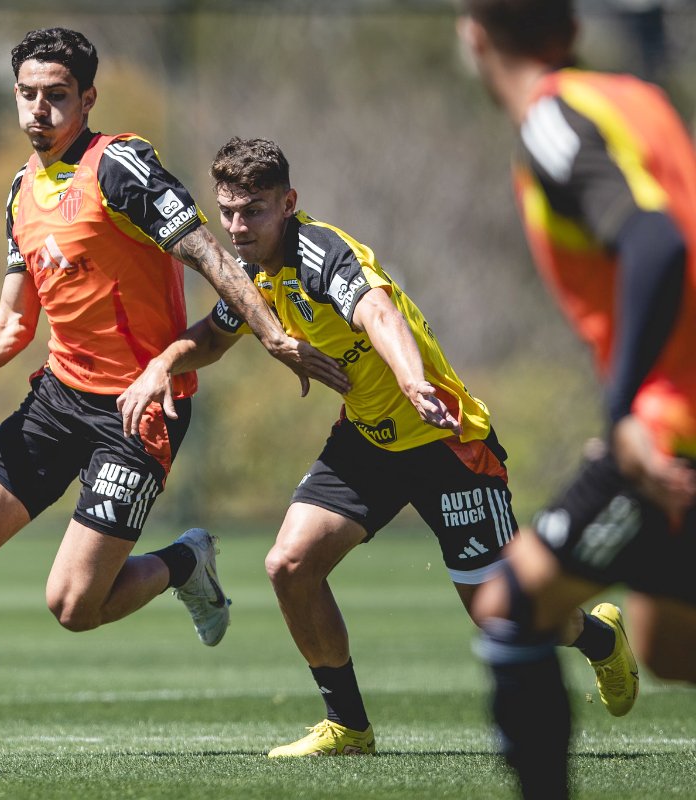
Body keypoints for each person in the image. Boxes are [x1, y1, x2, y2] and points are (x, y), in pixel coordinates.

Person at [0, 29, 350, 761]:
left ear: (87, 99)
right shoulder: (22, 191)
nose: (40, 110)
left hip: (140, 409)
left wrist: (272, 333)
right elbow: (12, 326)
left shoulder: (120, 167)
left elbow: (209, 252)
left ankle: (186, 564)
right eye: (28, 94)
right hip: (59, 398)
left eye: (57, 96)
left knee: (72, 608)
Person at [117, 136, 635, 759]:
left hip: (446, 439)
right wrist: (164, 363)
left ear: (288, 204)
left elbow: (377, 312)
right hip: (367, 440)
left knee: (498, 610)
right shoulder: (251, 273)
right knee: (289, 565)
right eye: (227, 211)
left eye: (252, 211)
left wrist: (414, 381)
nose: (236, 226)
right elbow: (213, 335)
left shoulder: (320, 252)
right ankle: (348, 726)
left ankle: (598, 637)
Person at [457, 1, 696, 796]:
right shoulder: (635, 96)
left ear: (475, 36)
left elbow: (657, 241)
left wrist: (623, 409)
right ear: (569, 32)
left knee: (512, 604)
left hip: (672, 419)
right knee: (667, 645)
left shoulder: (550, 121)